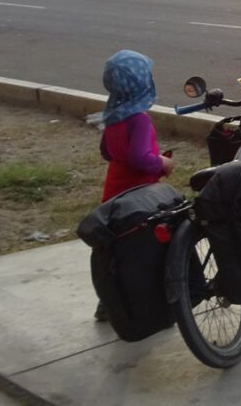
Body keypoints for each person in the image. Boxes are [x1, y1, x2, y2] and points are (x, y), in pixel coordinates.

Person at [95, 50, 175, 320]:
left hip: (113, 191)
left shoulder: (113, 116)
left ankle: (109, 301)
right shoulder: (139, 119)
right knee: (144, 250)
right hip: (139, 195)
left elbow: (107, 152)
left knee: (117, 250)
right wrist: (161, 164)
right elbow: (139, 157)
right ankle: (147, 301)